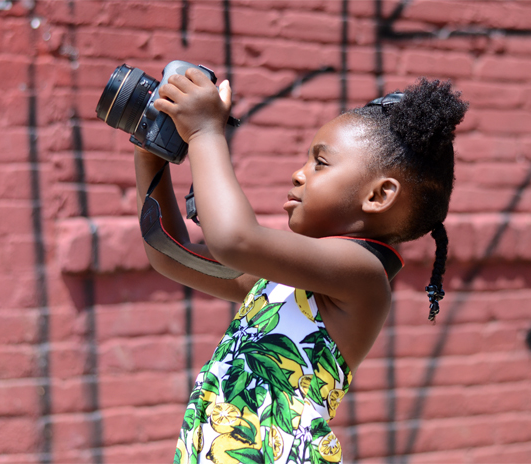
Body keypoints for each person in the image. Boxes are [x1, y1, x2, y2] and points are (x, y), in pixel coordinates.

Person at [132, 70, 467, 463]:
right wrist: (150, 151)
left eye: (320, 163)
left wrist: (205, 131)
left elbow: (234, 239)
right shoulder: (280, 281)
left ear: (378, 195)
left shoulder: (362, 276)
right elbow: (169, 254)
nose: (298, 173)